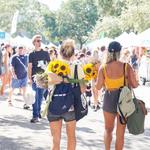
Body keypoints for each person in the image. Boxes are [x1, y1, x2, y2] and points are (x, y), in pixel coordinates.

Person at [95, 41, 138, 150]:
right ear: (120, 52)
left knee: (108, 130)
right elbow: (135, 84)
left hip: (109, 98)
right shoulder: (126, 66)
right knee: (120, 133)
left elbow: (98, 87)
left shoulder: (103, 68)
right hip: (124, 99)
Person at [47, 39, 86, 150]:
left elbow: (47, 82)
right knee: (71, 137)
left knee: (55, 139)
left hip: (53, 104)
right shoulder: (77, 67)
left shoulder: (53, 65)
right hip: (70, 106)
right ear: (73, 53)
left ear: (60, 52)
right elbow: (83, 89)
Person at [28, 35, 50, 123]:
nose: (39, 42)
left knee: (40, 97)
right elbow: (29, 67)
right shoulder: (31, 54)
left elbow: (50, 65)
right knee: (35, 96)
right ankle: (35, 115)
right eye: (37, 40)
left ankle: (38, 111)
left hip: (44, 78)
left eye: (40, 40)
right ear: (34, 42)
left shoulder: (45, 53)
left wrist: (47, 70)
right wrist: (29, 78)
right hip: (34, 78)